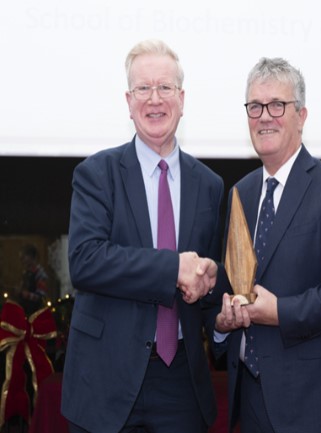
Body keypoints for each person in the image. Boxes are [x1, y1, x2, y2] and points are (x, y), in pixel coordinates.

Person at [61, 39, 225, 433]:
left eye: (165, 87)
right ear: (128, 100)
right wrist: (173, 268)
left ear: (181, 99)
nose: (155, 99)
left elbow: (209, 282)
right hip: (106, 379)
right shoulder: (96, 174)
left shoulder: (210, 185)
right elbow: (84, 261)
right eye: (143, 89)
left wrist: (216, 296)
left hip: (181, 382)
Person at [215, 57, 321, 433]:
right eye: (255, 106)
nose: (264, 116)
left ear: (301, 115)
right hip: (250, 401)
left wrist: (282, 312)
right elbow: (232, 287)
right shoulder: (240, 193)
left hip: (314, 404)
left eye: (277, 105)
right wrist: (224, 323)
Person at [18, 244, 49, 315]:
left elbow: (41, 297)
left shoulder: (40, 274)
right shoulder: (25, 273)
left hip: (35, 313)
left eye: (24, 256)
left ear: (32, 257)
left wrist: (27, 295)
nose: (21, 259)